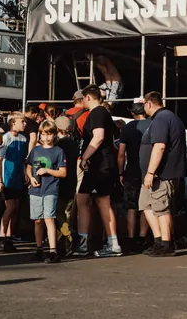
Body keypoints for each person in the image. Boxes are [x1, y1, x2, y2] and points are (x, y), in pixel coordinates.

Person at [75, 84, 121, 257]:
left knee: (102, 202)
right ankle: (83, 242)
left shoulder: (98, 113)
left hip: (100, 165)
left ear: (88, 97)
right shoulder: (100, 113)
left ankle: (113, 244)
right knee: (83, 199)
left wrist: (85, 157)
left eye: (83, 98)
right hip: (97, 165)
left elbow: (99, 137)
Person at [139, 92, 186, 257]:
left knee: (161, 208)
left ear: (149, 104)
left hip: (162, 174)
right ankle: (158, 240)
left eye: (144, 105)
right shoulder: (165, 118)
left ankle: (166, 243)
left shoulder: (161, 118)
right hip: (154, 175)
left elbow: (159, 146)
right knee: (146, 205)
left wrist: (151, 172)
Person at [26, 120, 68, 263]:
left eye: (49, 134)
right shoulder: (35, 150)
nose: (46, 137)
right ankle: (39, 249)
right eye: (44, 134)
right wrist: (31, 177)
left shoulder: (58, 151)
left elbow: (63, 172)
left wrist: (47, 170)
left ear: (54, 135)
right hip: (36, 189)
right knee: (37, 220)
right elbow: (29, 166)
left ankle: (53, 250)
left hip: (51, 188)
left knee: (49, 218)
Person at [117, 98, 151, 254]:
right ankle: (142, 237)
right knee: (146, 206)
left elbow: (121, 154)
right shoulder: (152, 125)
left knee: (131, 206)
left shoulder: (127, 128)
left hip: (131, 170)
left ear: (132, 113)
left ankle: (131, 238)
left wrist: (120, 172)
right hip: (148, 171)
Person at [0, 111, 28, 253]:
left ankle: (8, 236)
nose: (25, 124)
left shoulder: (23, 139)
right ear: (13, 123)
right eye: (22, 122)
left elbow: (23, 159)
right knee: (10, 207)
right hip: (7, 177)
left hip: (17, 177)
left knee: (16, 208)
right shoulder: (6, 138)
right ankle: (2, 236)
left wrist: (25, 173)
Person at [54, 116, 79, 256]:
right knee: (65, 212)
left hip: (59, 182)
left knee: (58, 213)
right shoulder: (74, 143)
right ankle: (63, 243)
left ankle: (69, 235)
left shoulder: (59, 145)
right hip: (71, 181)